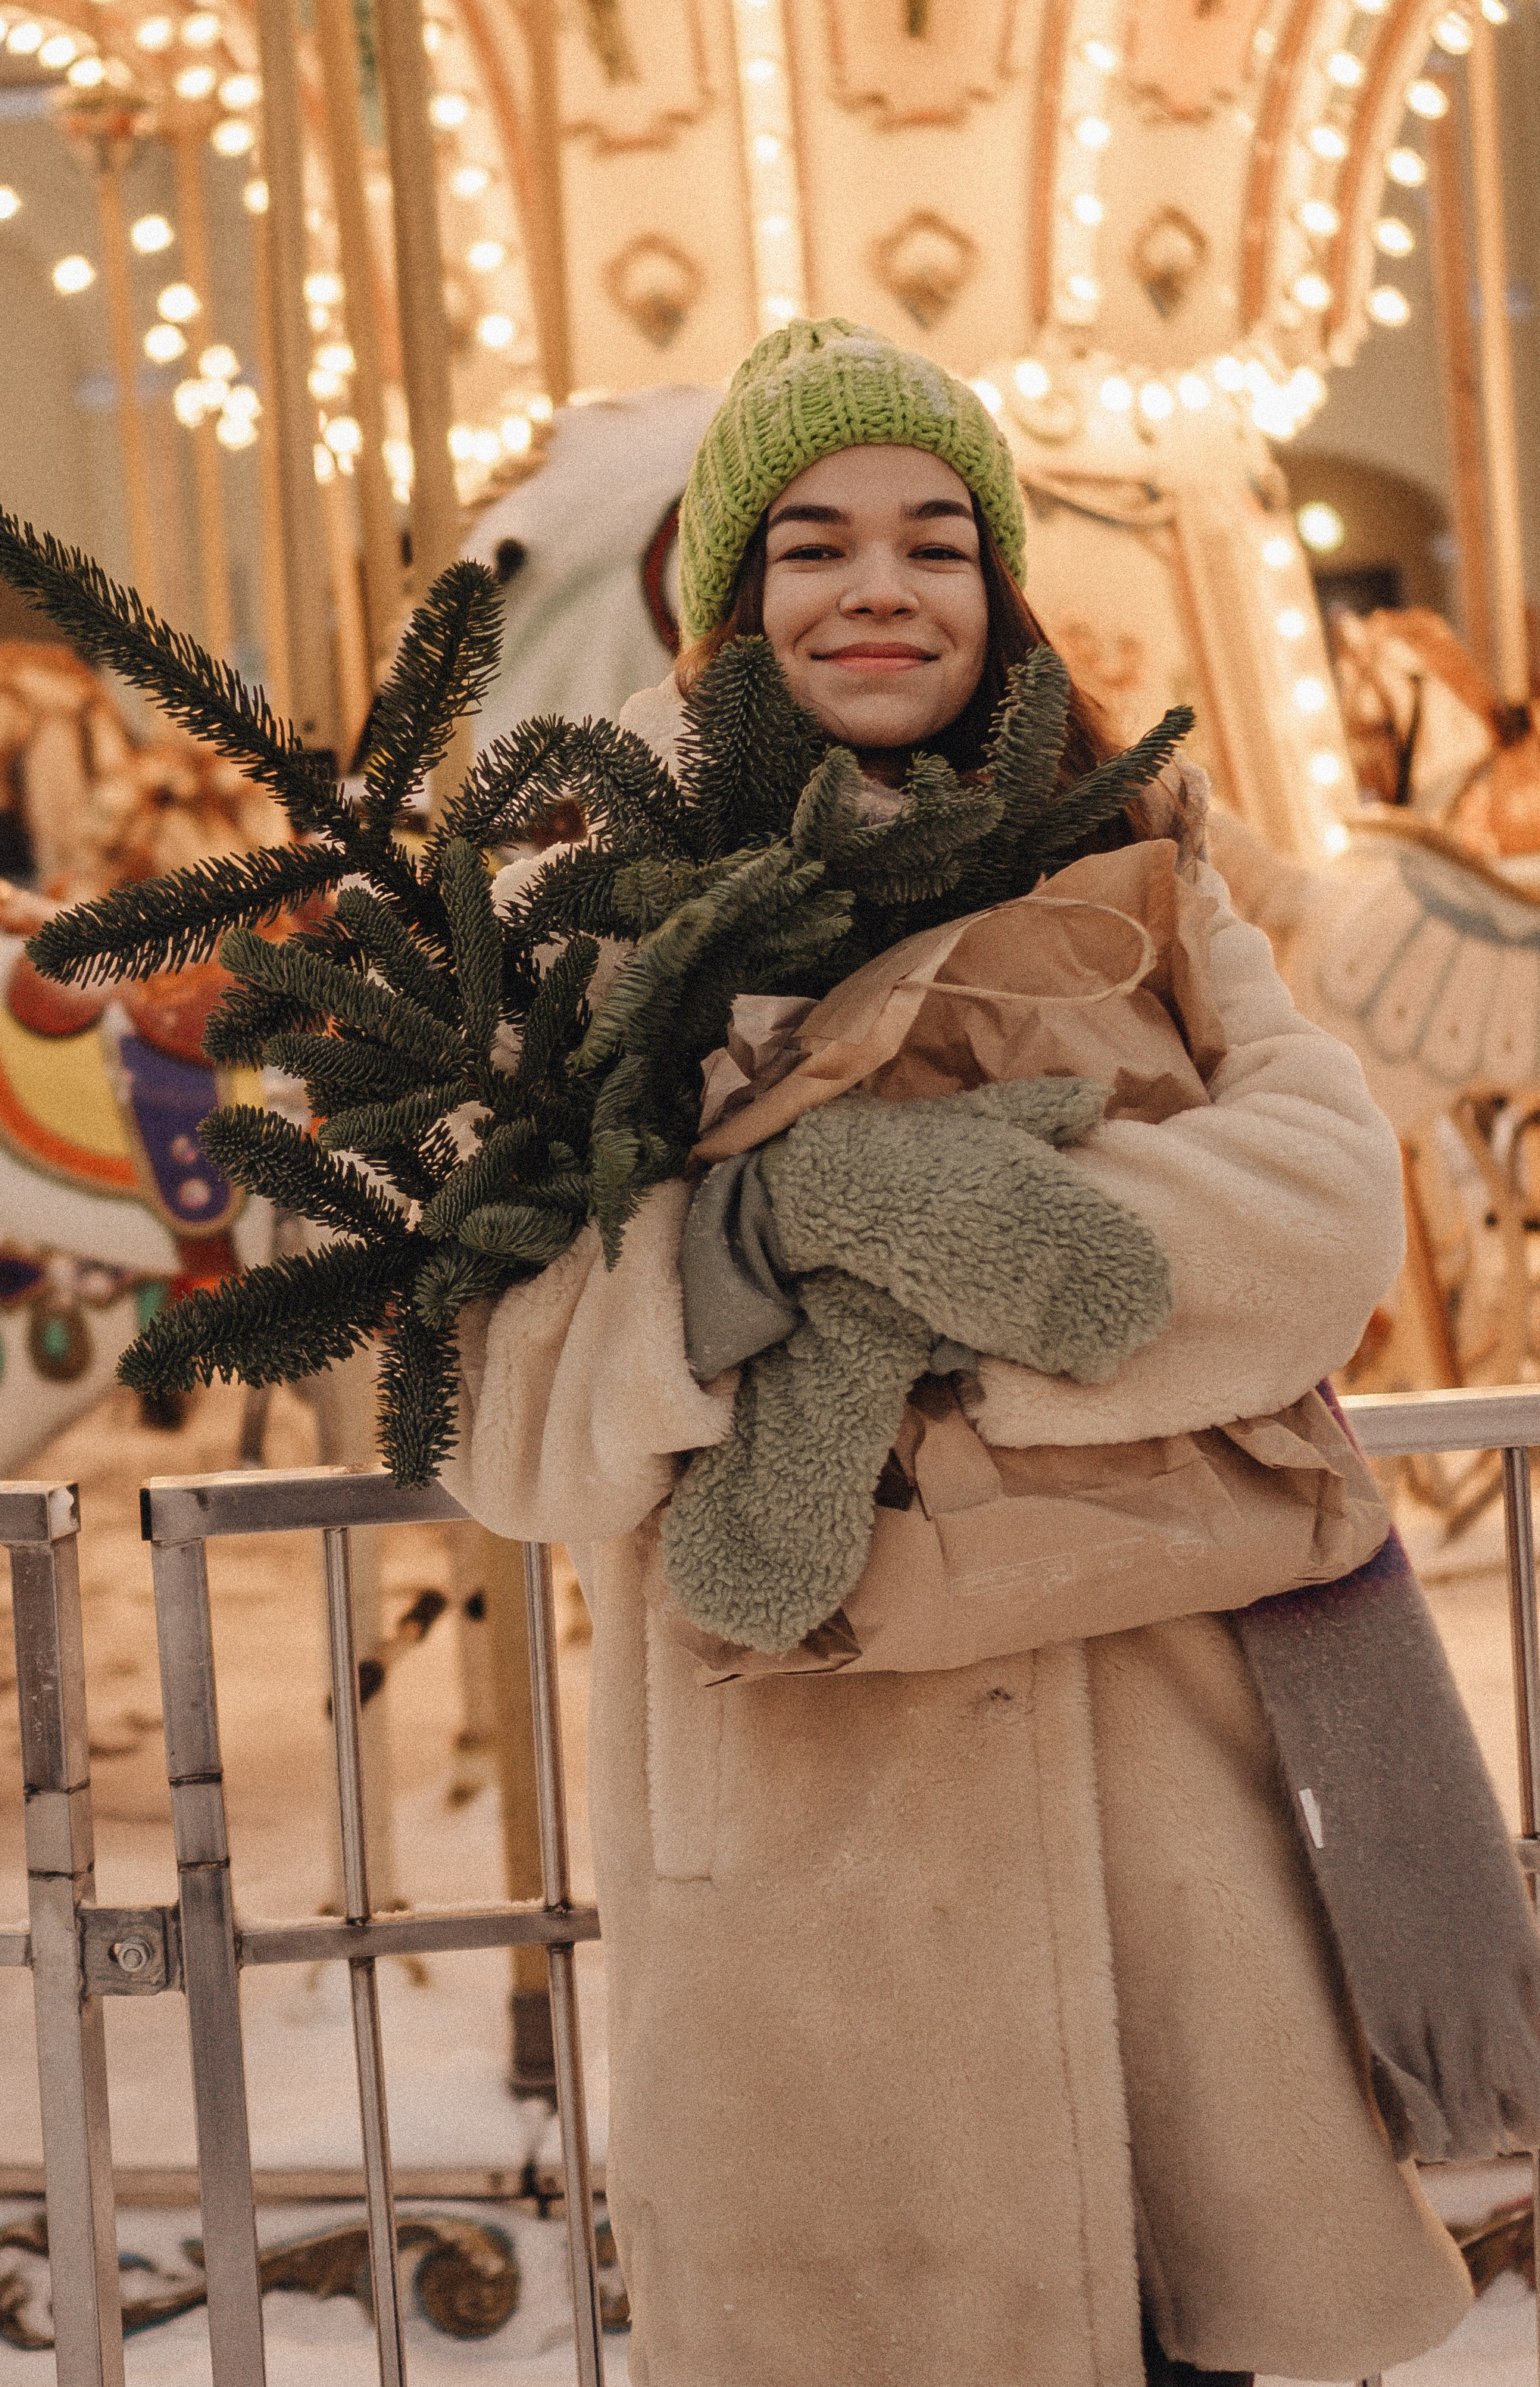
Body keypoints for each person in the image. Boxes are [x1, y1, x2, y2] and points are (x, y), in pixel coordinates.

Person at [442, 320, 1475, 2387]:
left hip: (1166, 1840)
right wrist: (754, 1246)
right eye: (815, 544)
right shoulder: (585, 919)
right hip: (814, 1902)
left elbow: (1325, 1211)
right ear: (732, 600)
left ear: (1000, 584)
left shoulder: (1138, 858)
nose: (880, 587)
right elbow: (508, 1419)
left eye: (935, 538)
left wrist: (938, 1283)